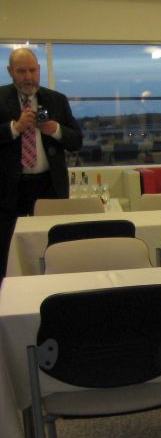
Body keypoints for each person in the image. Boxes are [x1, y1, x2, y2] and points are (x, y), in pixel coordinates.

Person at [0, 47, 81, 278]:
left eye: (32, 70)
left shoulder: (56, 100)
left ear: (39, 70)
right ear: (10, 71)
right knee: (7, 251)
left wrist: (55, 129)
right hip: (8, 190)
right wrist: (14, 128)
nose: (28, 77)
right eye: (21, 71)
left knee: (54, 246)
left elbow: (77, 141)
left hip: (49, 186)